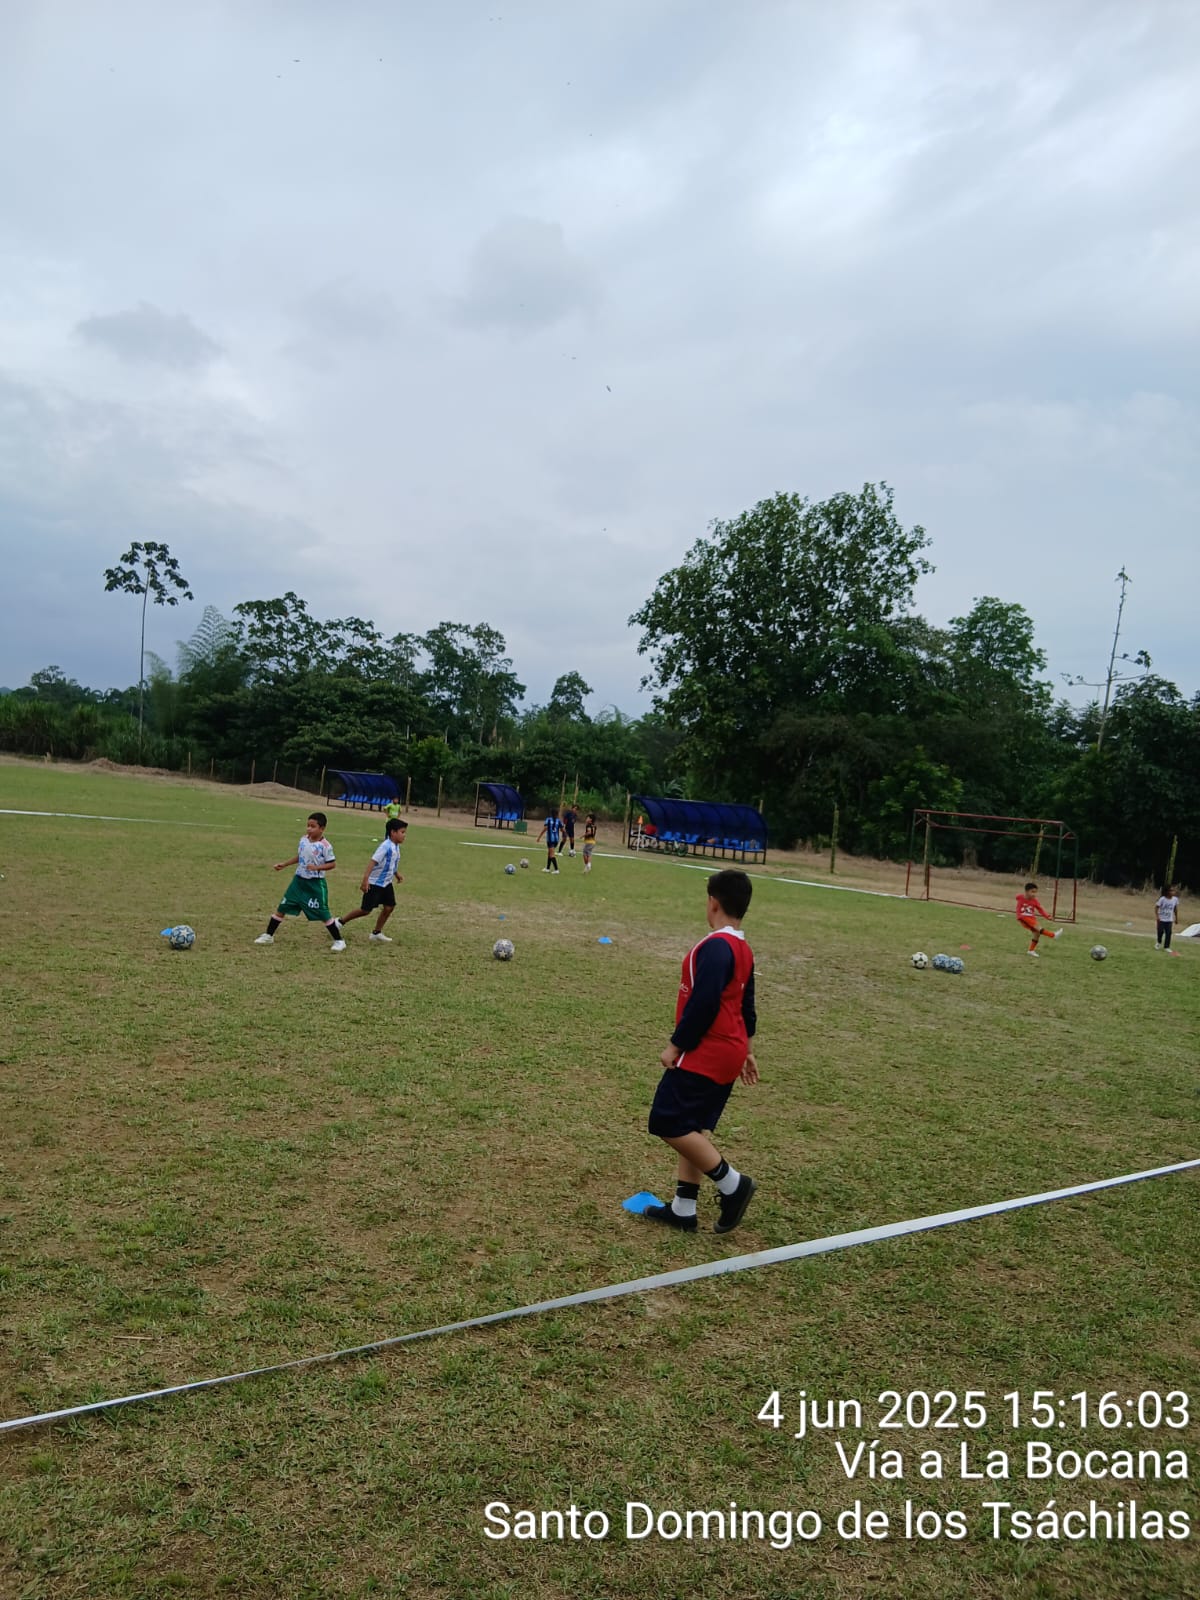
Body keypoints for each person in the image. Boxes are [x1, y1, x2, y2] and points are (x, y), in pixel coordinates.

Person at [643, 869, 758, 1235]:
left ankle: (733, 1184)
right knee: (690, 1125)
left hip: (708, 1050)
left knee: (666, 1121)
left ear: (713, 903)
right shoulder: (743, 949)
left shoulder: (717, 947)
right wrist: (747, 1051)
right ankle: (684, 1208)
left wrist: (675, 1045)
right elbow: (746, 1005)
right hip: (730, 1049)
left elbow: (704, 1003)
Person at [255, 812, 346, 950]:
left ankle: (339, 941)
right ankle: (269, 935)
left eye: (313, 826)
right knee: (283, 907)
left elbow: (332, 864)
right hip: (298, 881)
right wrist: (285, 864)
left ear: (322, 828)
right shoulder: (303, 839)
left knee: (323, 913)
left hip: (315, 884)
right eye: (308, 825)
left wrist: (316, 867)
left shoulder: (325, 846)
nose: (309, 829)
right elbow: (300, 856)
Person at [340, 816, 407, 942]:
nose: (404, 835)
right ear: (393, 832)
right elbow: (373, 862)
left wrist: (396, 874)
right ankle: (339, 922)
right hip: (375, 883)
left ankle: (376, 933)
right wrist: (365, 880)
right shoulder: (385, 846)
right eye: (402, 832)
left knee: (389, 907)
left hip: (386, 883)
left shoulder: (396, 846)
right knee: (365, 910)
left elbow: (390, 863)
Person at [1016, 881, 1063, 957]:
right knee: (1038, 927)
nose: (1034, 894)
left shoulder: (1035, 901)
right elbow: (1017, 898)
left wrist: (1047, 916)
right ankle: (1053, 935)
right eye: (1032, 892)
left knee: (1037, 933)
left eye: (1035, 892)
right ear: (1026, 891)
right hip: (1023, 917)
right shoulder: (1020, 897)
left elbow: (1040, 909)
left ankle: (1031, 951)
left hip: (1031, 917)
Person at [1155, 884, 1181, 954]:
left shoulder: (1175, 899)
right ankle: (1159, 942)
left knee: (1168, 933)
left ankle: (1167, 947)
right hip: (1161, 919)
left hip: (1169, 920)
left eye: (1173, 891)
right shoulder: (1162, 899)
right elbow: (1156, 907)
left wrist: (1176, 918)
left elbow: (1175, 909)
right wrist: (1157, 916)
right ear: (1167, 892)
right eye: (1171, 891)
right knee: (1160, 931)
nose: (1173, 892)